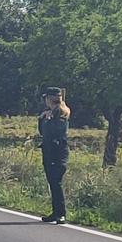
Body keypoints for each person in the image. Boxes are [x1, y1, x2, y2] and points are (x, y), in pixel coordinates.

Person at [37, 87, 70, 223]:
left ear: (50, 99)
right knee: (52, 183)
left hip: (57, 153)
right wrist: (42, 119)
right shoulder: (49, 114)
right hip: (49, 152)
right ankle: (55, 212)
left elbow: (56, 133)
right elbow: (42, 133)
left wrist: (49, 121)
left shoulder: (61, 115)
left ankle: (61, 214)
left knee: (56, 183)